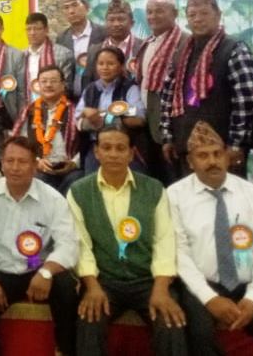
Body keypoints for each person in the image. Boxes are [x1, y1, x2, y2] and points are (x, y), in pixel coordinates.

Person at [68, 126, 187, 356]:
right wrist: (92, 286)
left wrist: (161, 288)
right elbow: (80, 243)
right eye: (107, 148)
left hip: (148, 280)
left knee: (170, 322)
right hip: (104, 281)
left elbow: (164, 240)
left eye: (120, 148)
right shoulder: (79, 192)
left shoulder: (154, 189)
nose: (113, 154)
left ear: (131, 154)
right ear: (96, 152)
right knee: (89, 321)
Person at [169, 121, 253, 355]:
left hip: (248, 282)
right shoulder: (175, 196)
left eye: (217, 154)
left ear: (227, 156)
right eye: (203, 156)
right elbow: (179, 253)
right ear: (190, 162)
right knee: (199, 336)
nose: (212, 161)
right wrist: (209, 298)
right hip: (201, 285)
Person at [0, 136, 79, 356]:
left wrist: (46, 272)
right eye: (10, 161)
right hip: (0, 271)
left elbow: (68, 244)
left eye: (22, 162)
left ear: (35, 166)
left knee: (67, 292)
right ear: (2, 163)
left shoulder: (53, 199)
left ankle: (64, 350)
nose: (15, 167)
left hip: (39, 268)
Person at [160, 0, 253, 180]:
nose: (198, 19)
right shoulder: (180, 53)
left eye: (204, 13)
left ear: (218, 15)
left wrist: (236, 144)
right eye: (192, 15)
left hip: (223, 150)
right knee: (190, 197)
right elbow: (167, 98)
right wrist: (167, 137)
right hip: (186, 147)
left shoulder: (234, 50)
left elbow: (244, 102)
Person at [133, 0, 190, 184]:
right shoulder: (146, 43)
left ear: (174, 13)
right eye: (149, 12)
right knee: (152, 180)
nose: (153, 16)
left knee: (174, 180)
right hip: (147, 124)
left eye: (159, 11)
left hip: (172, 126)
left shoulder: (186, 42)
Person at [11, 65, 82, 195]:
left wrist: (74, 163)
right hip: (40, 167)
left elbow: (86, 143)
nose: (48, 85)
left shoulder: (75, 110)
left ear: (63, 85)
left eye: (53, 81)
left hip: (70, 168)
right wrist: (36, 161)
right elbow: (19, 143)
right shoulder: (29, 111)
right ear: (38, 85)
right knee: (37, 180)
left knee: (77, 181)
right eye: (44, 81)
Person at [75, 46, 146, 174]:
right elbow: (78, 121)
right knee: (93, 180)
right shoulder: (90, 89)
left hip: (123, 144)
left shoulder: (130, 88)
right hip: (97, 145)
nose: (105, 68)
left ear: (121, 66)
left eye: (110, 64)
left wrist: (104, 120)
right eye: (100, 63)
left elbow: (140, 119)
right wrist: (89, 119)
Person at [81, 0, 145, 93]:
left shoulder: (143, 47)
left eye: (121, 19)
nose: (116, 24)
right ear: (105, 23)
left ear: (132, 23)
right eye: (111, 20)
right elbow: (87, 84)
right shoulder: (94, 50)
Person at [55, 0, 107, 97]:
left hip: (99, 95)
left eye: (75, 5)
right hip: (70, 97)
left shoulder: (103, 34)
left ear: (86, 7)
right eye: (66, 7)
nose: (71, 11)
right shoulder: (61, 39)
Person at [19, 12, 75, 102]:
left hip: (55, 105)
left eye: (37, 29)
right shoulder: (21, 56)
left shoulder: (63, 54)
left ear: (46, 30)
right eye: (28, 29)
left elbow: (66, 86)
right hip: (27, 105)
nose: (32, 33)